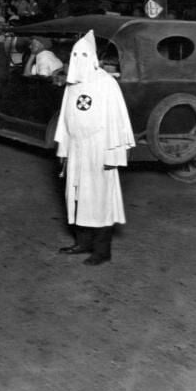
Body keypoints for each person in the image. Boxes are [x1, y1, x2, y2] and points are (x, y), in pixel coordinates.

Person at [54, 30, 134, 266]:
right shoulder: (72, 85)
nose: (78, 58)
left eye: (83, 54)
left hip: (99, 151)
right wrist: (64, 152)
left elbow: (117, 121)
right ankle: (82, 243)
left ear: (92, 58)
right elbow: (66, 121)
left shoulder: (107, 84)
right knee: (78, 197)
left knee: (99, 200)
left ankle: (102, 251)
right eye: (74, 54)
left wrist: (113, 155)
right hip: (77, 151)